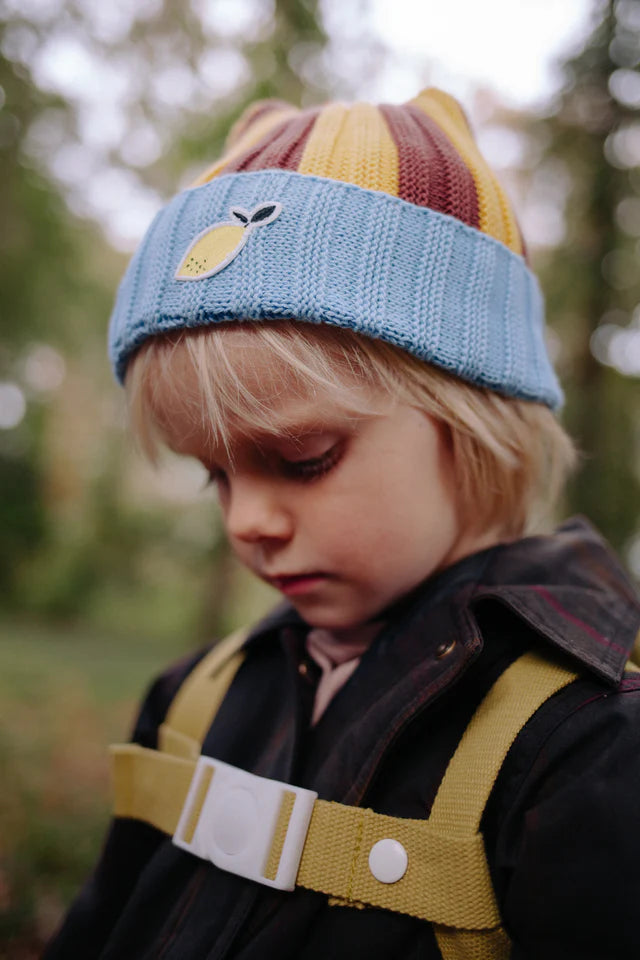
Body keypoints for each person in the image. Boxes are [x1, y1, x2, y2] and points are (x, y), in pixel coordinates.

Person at [45, 88, 640, 960]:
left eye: (304, 459)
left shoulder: (588, 744)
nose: (248, 521)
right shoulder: (196, 698)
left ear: (473, 419)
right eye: (213, 473)